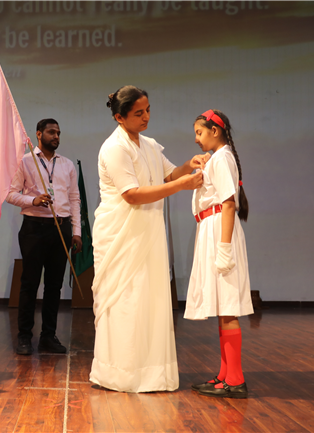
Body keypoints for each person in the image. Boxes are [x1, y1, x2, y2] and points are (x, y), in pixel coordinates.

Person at [90, 86, 207, 392]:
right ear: (120, 117)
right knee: (126, 302)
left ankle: (151, 373)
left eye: (148, 110)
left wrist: (189, 166)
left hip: (148, 233)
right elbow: (132, 194)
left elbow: (168, 175)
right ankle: (120, 373)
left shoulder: (150, 145)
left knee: (149, 300)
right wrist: (182, 185)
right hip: (121, 236)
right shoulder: (114, 148)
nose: (146, 117)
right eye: (138, 113)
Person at [185, 109, 252, 399]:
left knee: (228, 305)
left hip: (219, 232)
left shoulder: (222, 158)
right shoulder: (217, 158)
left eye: (199, 133)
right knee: (223, 307)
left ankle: (235, 379)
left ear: (215, 131)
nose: (196, 139)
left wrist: (224, 248)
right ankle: (225, 375)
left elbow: (228, 203)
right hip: (211, 229)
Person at [6, 118, 82, 356]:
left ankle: (48, 336)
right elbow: (10, 194)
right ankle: (24, 337)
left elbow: (74, 199)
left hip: (61, 228)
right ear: (38, 134)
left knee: (54, 285)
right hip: (34, 228)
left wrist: (76, 232)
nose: (56, 136)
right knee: (29, 284)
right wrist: (33, 200)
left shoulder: (67, 164)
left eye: (58, 132)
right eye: (51, 132)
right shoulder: (25, 161)